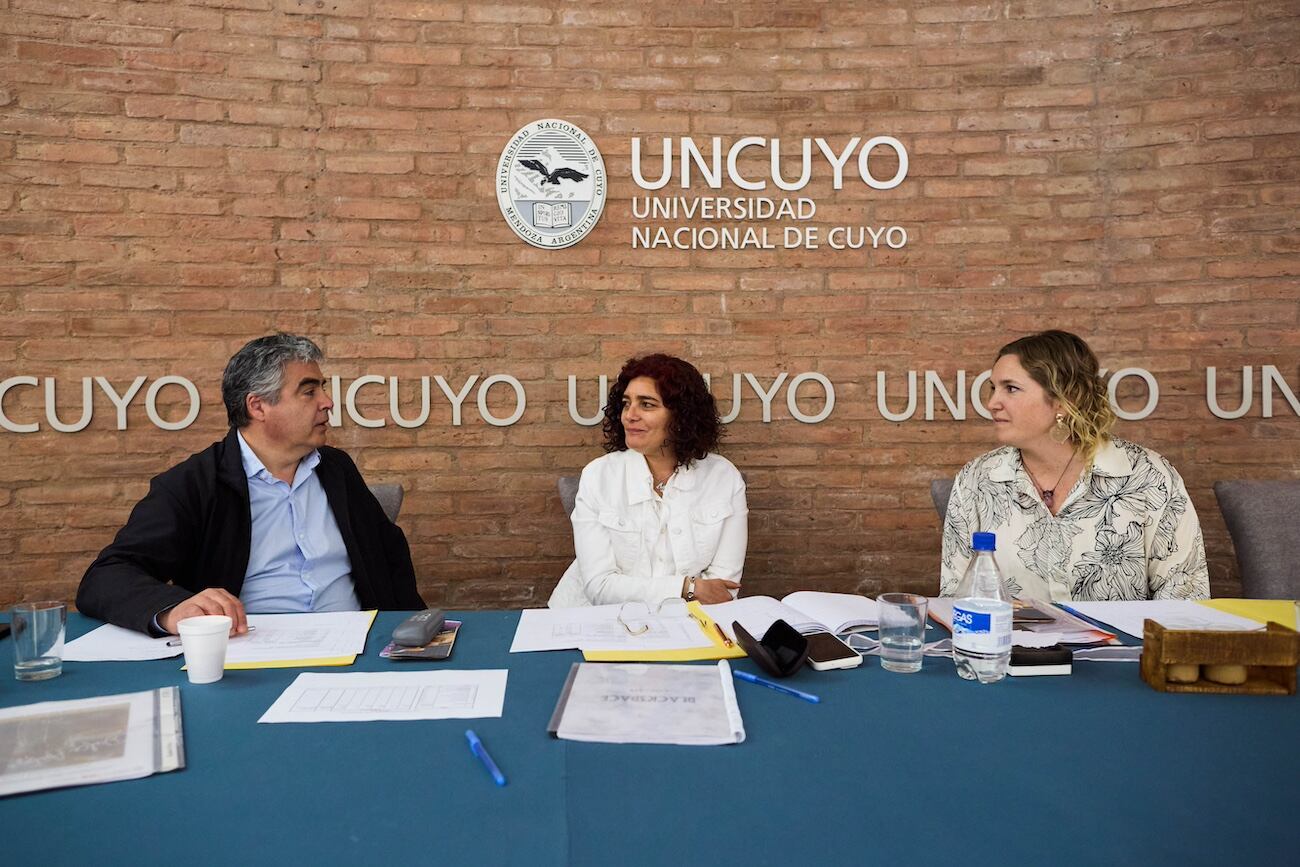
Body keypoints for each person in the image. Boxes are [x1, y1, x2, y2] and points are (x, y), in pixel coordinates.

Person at [77, 333, 424, 635]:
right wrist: (173, 609)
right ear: (258, 406)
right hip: (251, 654)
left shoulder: (337, 470)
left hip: (357, 644)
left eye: (322, 389)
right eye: (309, 391)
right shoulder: (194, 484)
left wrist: (411, 629)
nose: (327, 402)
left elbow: (389, 552)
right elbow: (106, 577)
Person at [939, 330, 1209, 602]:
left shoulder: (1148, 475)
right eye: (993, 388)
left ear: (1063, 400)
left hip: (1130, 646)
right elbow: (955, 601)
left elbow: (1184, 599)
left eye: (1011, 388)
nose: (992, 403)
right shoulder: (976, 480)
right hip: (1004, 644)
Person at [549, 354, 748, 607]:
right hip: (593, 622)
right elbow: (599, 587)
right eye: (626, 403)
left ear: (681, 416)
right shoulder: (598, 477)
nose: (629, 415)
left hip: (688, 626)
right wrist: (687, 588)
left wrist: (679, 608)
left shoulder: (724, 478)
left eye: (647, 405)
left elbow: (723, 590)